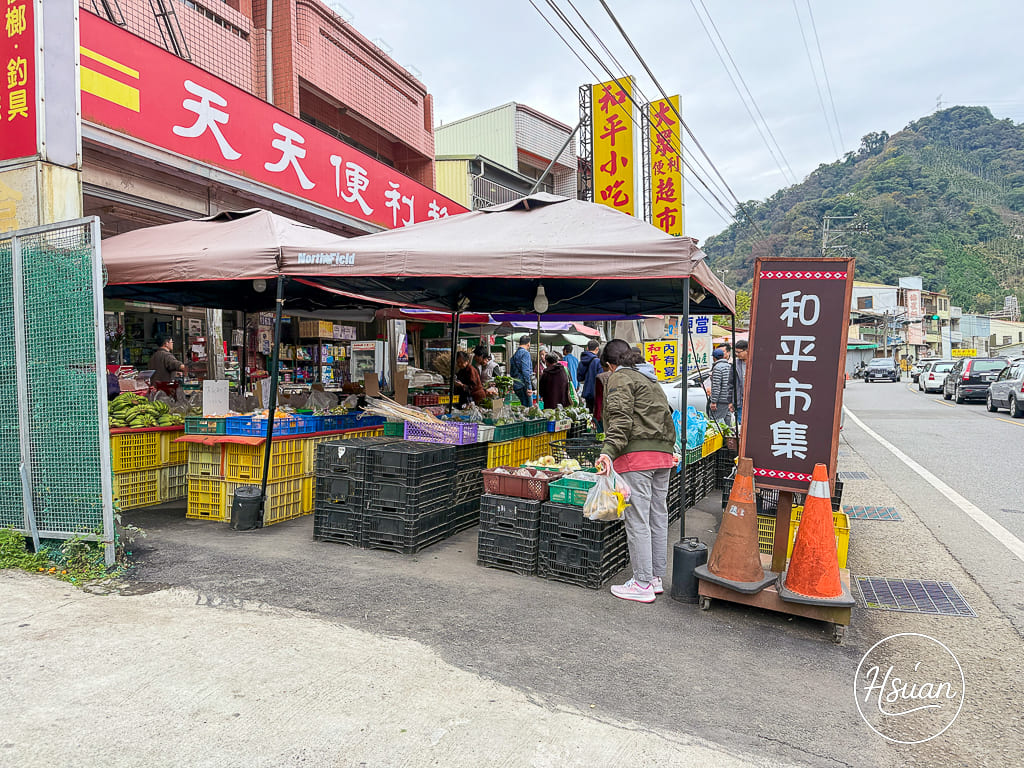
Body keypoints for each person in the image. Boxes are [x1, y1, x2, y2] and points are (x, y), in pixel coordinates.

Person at [594, 339, 676, 603]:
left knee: (638, 519)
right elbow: (667, 414)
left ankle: (641, 583)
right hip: (663, 454)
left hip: (638, 457)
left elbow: (620, 418)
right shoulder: (649, 378)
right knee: (657, 516)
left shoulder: (620, 378)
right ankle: (654, 577)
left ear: (610, 364)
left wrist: (608, 451)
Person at [709, 346, 735, 425]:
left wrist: (713, 401)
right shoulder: (729, 366)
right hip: (728, 399)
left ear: (714, 358)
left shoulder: (717, 368)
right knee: (727, 422)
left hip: (720, 400)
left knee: (716, 422)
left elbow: (716, 386)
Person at [578, 339, 602, 413]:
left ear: (587, 348)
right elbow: (601, 378)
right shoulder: (598, 362)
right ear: (597, 349)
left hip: (587, 392)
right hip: (596, 392)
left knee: (589, 414)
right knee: (597, 413)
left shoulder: (581, 361)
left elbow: (579, 378)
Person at [510, 335, 534, 406]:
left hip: (516, 385)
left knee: (522, 407)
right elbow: (525, 371)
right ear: (528, 344)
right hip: (524, 385)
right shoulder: (525, 353)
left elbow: (511, 372)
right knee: (528, 408)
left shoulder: (515, 355)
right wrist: (529, 387)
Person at [733, 339, 748, 428]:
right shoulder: (735, 364)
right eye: (736, 352)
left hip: (753, 400)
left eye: (739, 352)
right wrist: (731, 401)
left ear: (747, 350)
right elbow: (731, 384)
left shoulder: (755, 362)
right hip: (740, 400)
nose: (737, 354)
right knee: (741, 424)